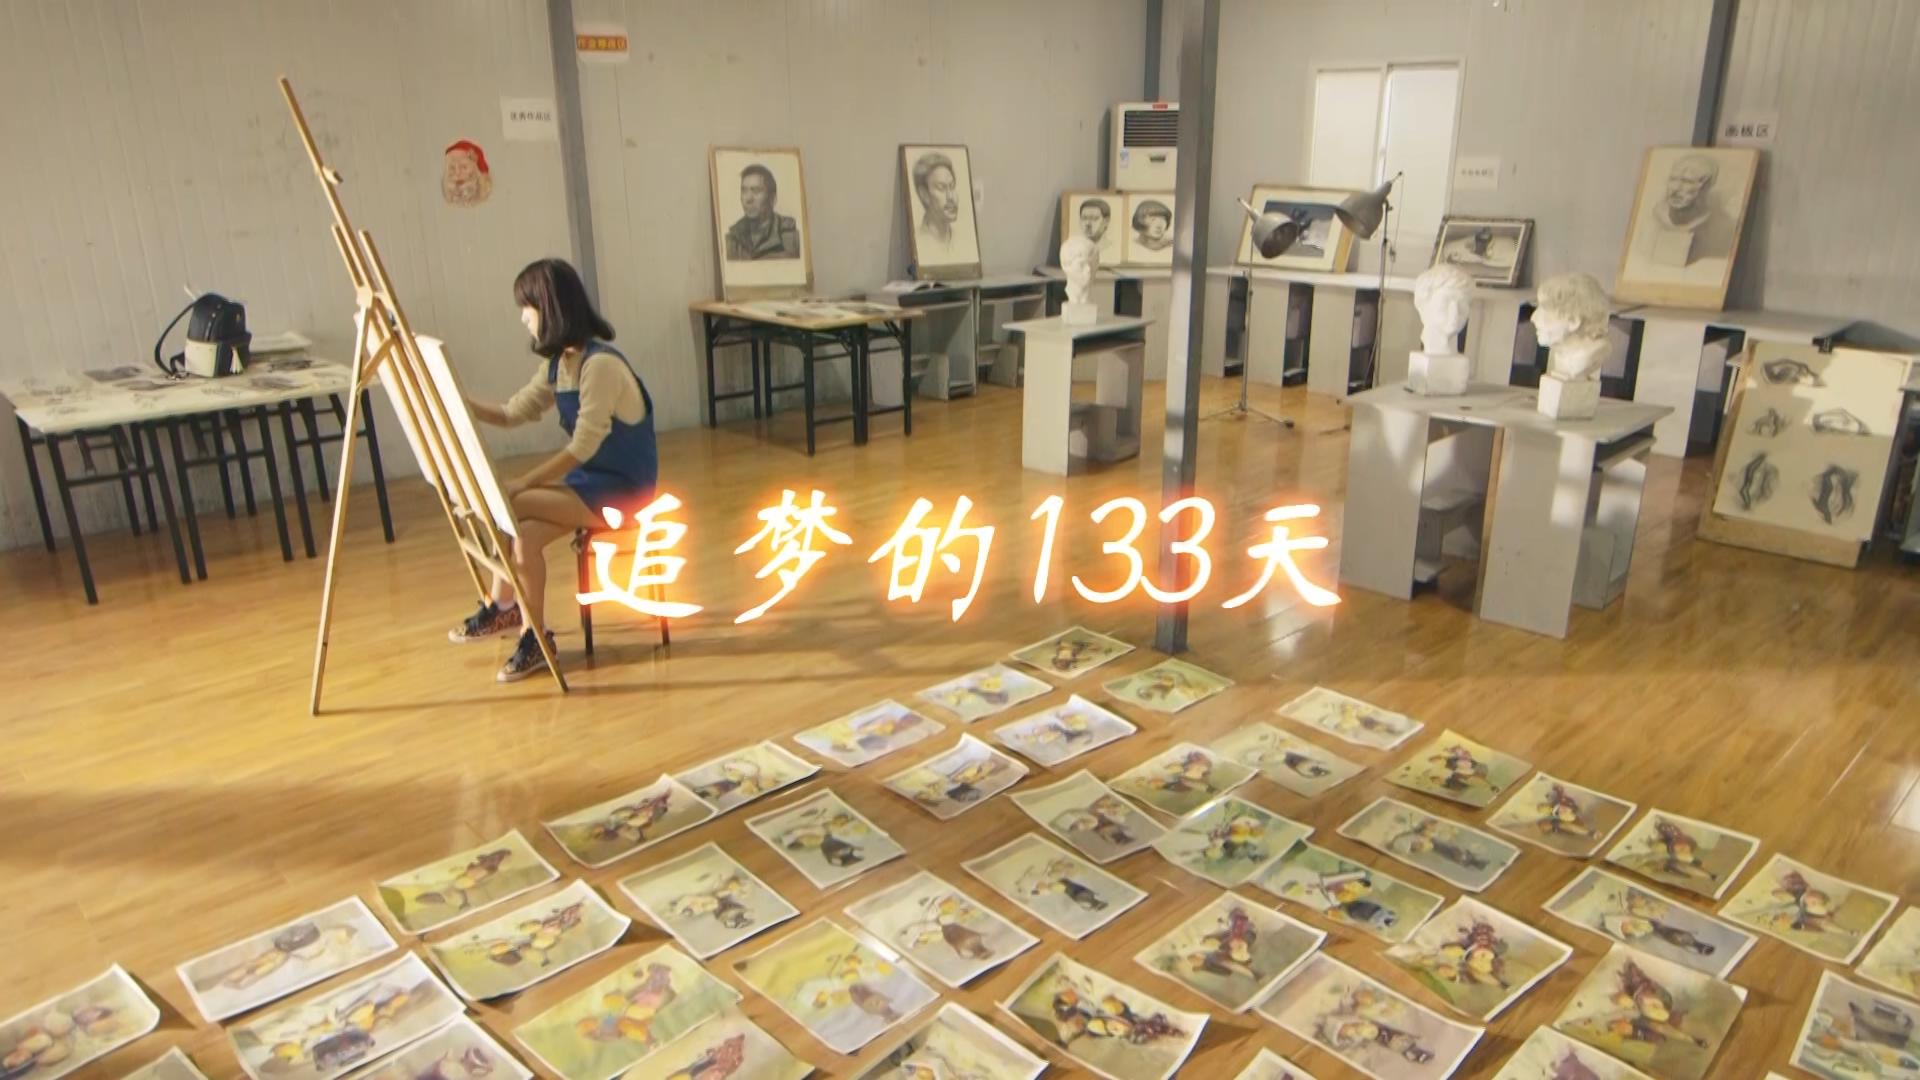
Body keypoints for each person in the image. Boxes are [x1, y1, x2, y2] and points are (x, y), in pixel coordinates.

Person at [454, 258, 658, 682]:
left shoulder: (599, 366)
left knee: (509, 503)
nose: (523, 318)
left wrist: (524, 482)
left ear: (549, 308)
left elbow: (583, 446)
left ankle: (504, 608)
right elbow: (511, 413)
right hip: (589, 484)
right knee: (525, 535)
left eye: (527, 308)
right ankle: (532, 633)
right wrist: (457, 400)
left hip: (624, 491)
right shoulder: (560, 364)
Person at [725, 164, 800, 260]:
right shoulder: (732, 240)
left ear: (772, 199)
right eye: (744, 191)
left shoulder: (792, 239)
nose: (748, 199)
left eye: (756, 191)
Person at [912, 151, 962, 252]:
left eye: (952, 186)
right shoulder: (918, 242)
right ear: (924, 194)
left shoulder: (962, 241)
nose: (951, 197)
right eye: (941, 188)